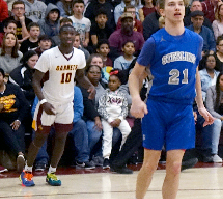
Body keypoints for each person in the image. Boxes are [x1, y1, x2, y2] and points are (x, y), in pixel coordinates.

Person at [126, 0, 214, 199]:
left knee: (175, 166)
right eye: (172, 4)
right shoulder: (154, 42)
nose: (177, 8)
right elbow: (136, 75)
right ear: (162, 10)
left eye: (181, 4)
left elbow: (194, 72)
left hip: (183, 110)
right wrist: (136, 98)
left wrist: (200, 105)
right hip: (157, 107)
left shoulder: (196, 40)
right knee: (150, 165)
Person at [20, 24, 94, 187]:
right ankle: (27, 170)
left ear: (76, 36)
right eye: (65, 33)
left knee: (61, 138)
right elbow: (35, 81)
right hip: (48, 102)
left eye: (72, 33)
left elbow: (80, 76)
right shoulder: (48, 55)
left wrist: (89, 85)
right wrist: (43, 102)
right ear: (59, 35)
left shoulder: (80, 55)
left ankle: (52, 172)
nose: (69, 36)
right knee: (39, 139)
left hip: (67, 104)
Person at [98, 70, 131, 169]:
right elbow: (101, 109)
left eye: (114, 82)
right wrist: (109, 120)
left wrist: (120, 119)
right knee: (108, 136)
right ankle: (106, 158)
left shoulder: (122, 95)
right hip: (107, 119)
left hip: (119, 118)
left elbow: (125, 109)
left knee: (128, 131)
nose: (111, 84)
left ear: (119, 83)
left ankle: (122, 155)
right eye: (110, 81)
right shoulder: (104, 94)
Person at [0, 67, 28, 172]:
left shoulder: (14, 89)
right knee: (4, 128)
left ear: (3, 77)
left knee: (18, 130)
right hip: (1, 120)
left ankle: (20, 160)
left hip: (16, 119)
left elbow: (25, 105)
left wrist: (19, 120)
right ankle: (20, 155)